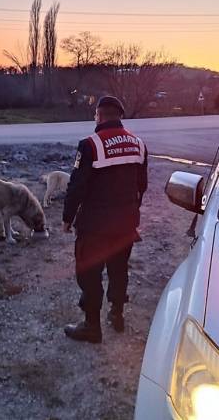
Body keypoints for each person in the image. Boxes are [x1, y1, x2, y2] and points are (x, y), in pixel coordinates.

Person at [62, 96, 148, 343]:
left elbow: (77, 185)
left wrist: (67, 218)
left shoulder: (90, 144)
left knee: (88, 271)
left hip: (95, 225)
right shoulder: (138, 144)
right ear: (119, 116)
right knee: (119, 269)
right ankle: (117, 314)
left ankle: (91, 326)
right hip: (126, 223)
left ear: (99, 116)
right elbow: (142, 185)